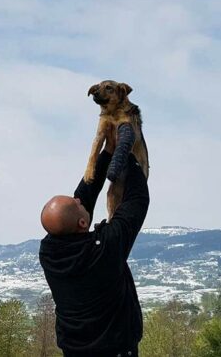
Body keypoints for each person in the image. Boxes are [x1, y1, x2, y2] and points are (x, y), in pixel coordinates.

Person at [39, 128, 150, 357]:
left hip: (75, 351)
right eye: (77, 203)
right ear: (82, 223)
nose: (80, 199)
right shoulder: (104, 250)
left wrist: (109, 151)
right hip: (116, 351)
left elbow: (82, 200)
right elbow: (137, 200)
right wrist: (125, 152)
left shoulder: (50, 252)